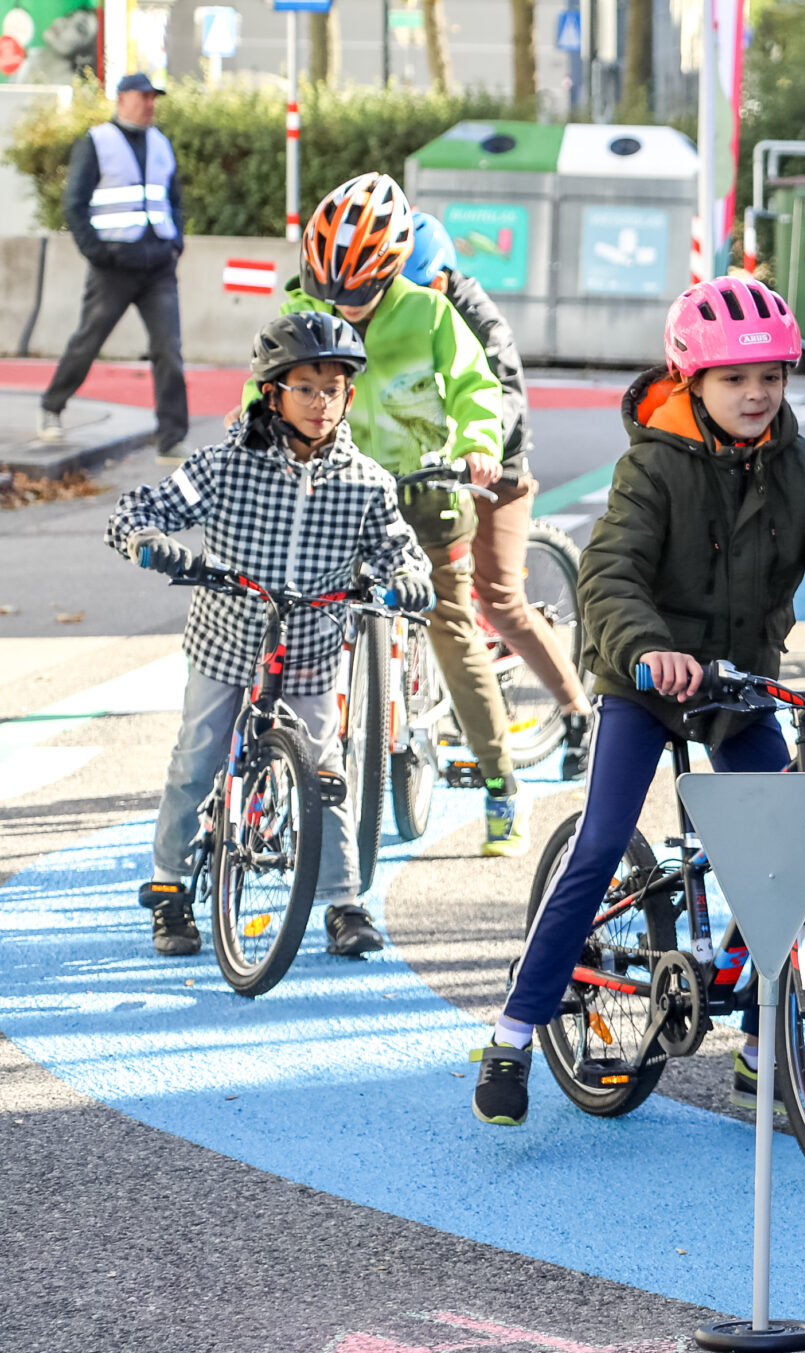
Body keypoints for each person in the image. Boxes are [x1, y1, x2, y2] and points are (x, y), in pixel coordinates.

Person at [470, 277, 805, 1127]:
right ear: (692, 381)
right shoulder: (652, 463)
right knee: (599, 844)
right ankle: (512, 1032)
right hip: (645, 682)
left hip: (736, 686)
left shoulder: (804, 470)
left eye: (771, 376)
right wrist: (649, 650)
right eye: (736, 379)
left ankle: (764, 1056)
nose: (757, 393)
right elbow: (611, 571)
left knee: (804, 854)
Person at [106, 312, 435, 959]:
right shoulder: (229, 463)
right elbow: (141, 508)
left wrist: (409, 580)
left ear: (349, 395)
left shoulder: (364, 482)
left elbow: (403, 553)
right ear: (272, 393)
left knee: (325, 768)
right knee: (196, 759)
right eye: (306, 387)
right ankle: (169, 887)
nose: (321, 402)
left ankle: (345, 903)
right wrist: (147, 541)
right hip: (226, 644)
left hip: (311, 651)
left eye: (334, 387)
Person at [250, 173, 523, 855]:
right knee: (283, 621)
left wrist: (479, 444)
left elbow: (475, 386)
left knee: (452, 629)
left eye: (360, 294)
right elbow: (264, 388)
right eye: (327, 291)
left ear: (394, 270)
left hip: (426, 499)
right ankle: (267, 781)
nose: (341, 308)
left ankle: (501, 789)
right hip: (336, 498)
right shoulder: (298, 305)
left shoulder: (431, 317)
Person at [403, 212, 596, 781]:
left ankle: (578, 711)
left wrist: (477, 448)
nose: (414, 299)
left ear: (444, 275)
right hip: (416, 467)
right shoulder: (394, 315)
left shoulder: (479, 316)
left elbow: (506, 395)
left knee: (498, 599)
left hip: (491, 470)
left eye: (424, 286)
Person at [39, 73, 189, 463]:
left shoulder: (161, 143)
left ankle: (171, 438)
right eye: (143, 97)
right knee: (88, 340)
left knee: (168, 349)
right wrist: (96, 252)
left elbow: (173, 199)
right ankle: (52, 406)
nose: (150, 104)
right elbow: (74, 202)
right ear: (122, 99)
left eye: (154, 98)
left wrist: (176, 242)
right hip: (114, 267)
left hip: (157, 266)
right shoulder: (97, 141)